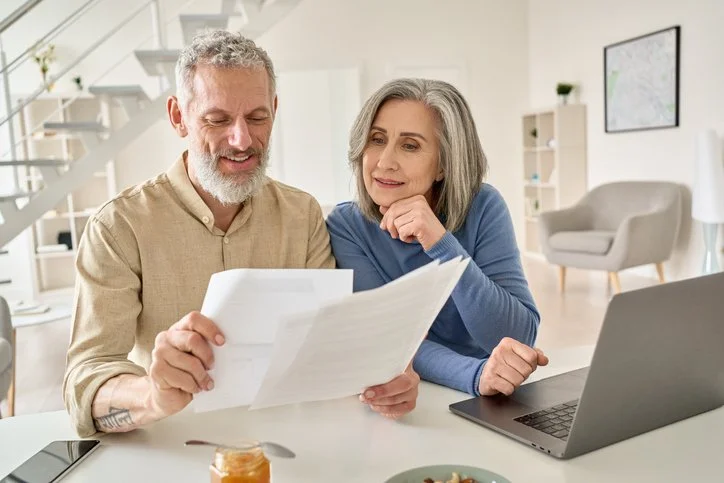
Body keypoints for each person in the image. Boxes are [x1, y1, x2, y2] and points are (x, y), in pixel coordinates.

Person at [62, 31, 412, 437]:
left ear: (275, 110)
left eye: (258, 117)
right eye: (218, 119)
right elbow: (84, 383)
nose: (242, 140)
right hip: (170, 448)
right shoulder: (118, 227)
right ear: (178, 117)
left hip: (289, 444)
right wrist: (151, 394)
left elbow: (329, 347)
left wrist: (385, 375)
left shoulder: (303, 216)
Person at [326, 78, 549, 410]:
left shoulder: (484, 206)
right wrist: (475, 374)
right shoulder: (347, 226)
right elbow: (391, 339)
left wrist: (442, 244)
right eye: (377, 140)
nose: (385, 161)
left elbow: (519, 335)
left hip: (492, 398)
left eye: (410, 145)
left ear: (444, 164)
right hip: (415, 395)